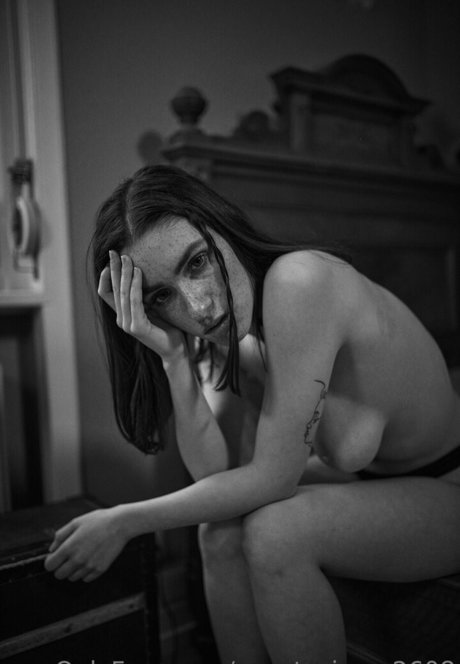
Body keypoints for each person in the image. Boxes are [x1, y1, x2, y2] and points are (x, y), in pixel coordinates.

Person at [45, 165, 460, 664]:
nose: (199, 307)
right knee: (218, 530)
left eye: (197, 262)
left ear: (221, 225)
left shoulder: (300, 282)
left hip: (449, 485)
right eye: (161, 296)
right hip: (379, 482)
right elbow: (215, 478)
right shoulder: (233, 335)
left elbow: (272, 480)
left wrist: (123, 521)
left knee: (275, 532)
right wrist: (174, 358)